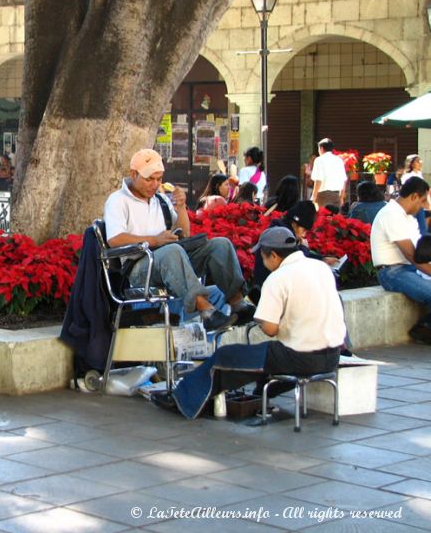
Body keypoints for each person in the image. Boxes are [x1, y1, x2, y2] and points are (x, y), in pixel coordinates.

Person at [159, 227, 346, 419]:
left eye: (263, 258)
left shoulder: (278, 278)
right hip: (332, 357)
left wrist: (260, 318)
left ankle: (182, 400)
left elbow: (270, 330)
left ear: (272, 255)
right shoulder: (321, 268)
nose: (263, 264)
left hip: (299, 359)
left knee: (224, 357)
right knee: (262, 354)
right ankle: (259, 398)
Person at [103, 149, 253, 332]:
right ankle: (206, 311)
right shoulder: (117, 201)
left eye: (159, 179)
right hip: (139, 268)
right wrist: (154, 240)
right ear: (133, 175)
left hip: (172, 261)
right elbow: (115, 239)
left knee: (220, 245)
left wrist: (181, 207)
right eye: (149, 179)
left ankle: (238, 304)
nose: (155, 184)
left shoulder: (160, 200)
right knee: (171, 251)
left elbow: (184, 233)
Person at [370, 176, 431, 343]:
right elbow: (412, 256)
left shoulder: (407, 217)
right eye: (423, 201)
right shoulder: (391, 214)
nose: (424, 206)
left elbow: (419, 252)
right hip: (392, 272)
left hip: (408, 269)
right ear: (414, 197)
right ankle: (424, 328)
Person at [311, 138, 347, 209]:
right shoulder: (339, 160)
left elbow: (318, 180)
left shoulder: (319, 160)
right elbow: (344, 180)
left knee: (322, 218)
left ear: (321, 148)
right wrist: (341, 197)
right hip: (337, 195)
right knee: (335, 219)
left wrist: (313, 197)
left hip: (323, 196)